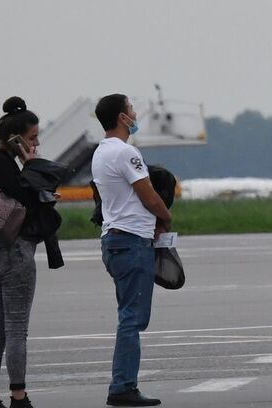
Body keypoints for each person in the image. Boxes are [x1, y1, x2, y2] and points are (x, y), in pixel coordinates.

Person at [91, 93, 174, 408]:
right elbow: (148, 195)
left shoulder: (101, 153)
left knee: (128, 313)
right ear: (122, 118)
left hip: (114, 239)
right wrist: (166, 216)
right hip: (131, 241)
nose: (135, 114)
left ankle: (123, 383)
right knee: (132, 318)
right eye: (131, 110)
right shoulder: (127, 153)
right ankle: (123, 386)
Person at [0, 97, 46, 408]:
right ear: (15, 139)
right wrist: (32, 167)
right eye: (32, 138)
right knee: (17, 330)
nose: (36, 143)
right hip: (14, 253)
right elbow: (25, 202)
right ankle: (19, 396)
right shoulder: (7, 165)